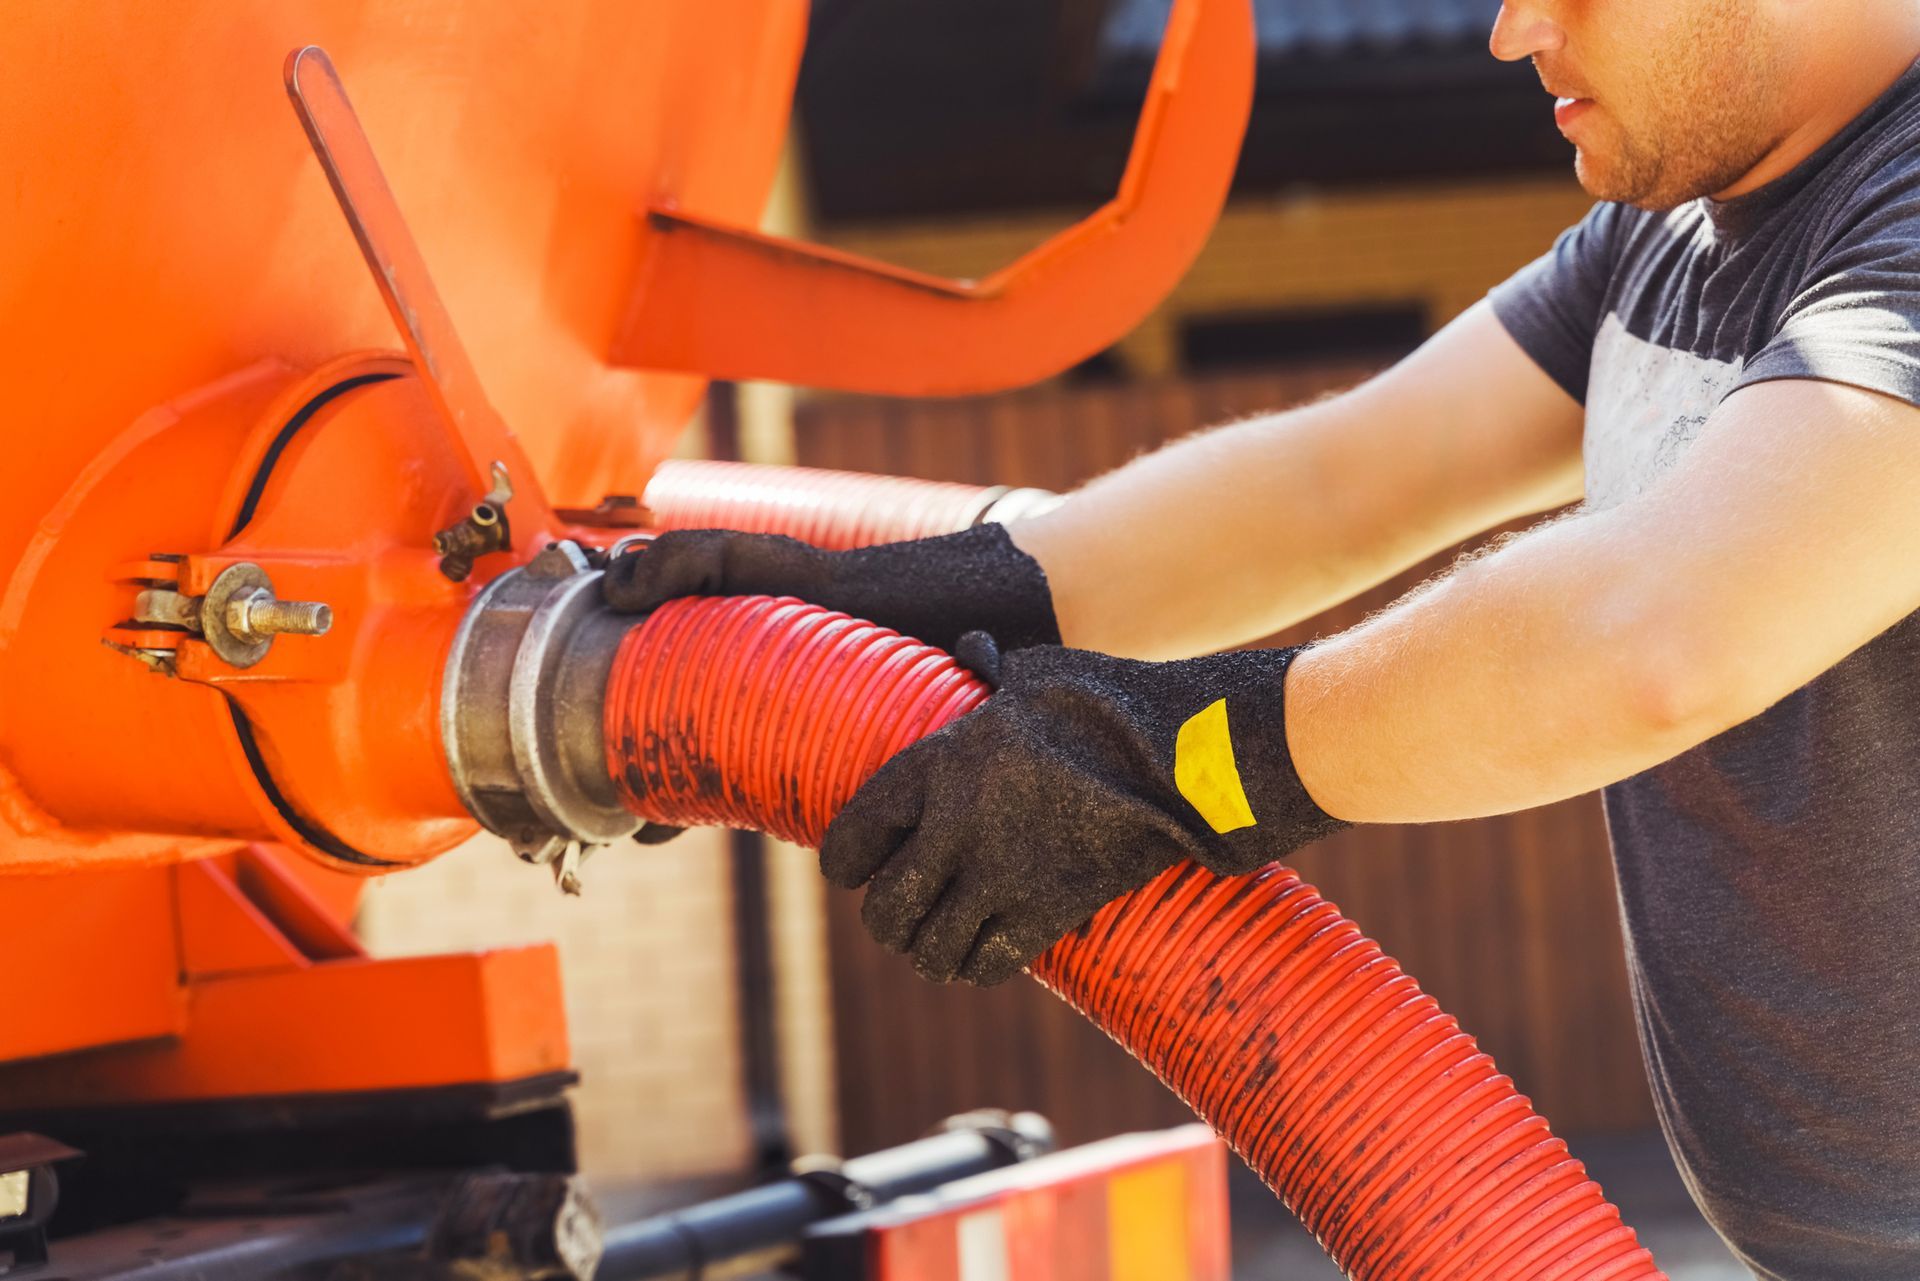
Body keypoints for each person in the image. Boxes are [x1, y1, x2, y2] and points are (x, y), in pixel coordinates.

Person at [605, 1, 1920, 1274]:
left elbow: (1657, 634)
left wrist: (1175, 761)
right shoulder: (1676, 228)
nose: (1511, 33)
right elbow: (1336, 484)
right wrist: (944, 593)